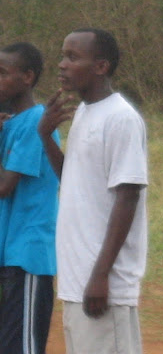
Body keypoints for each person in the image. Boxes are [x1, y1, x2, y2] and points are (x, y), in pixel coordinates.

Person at [38, 28, 148, 354]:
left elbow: (128, 197)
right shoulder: (85, 112)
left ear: (101, 66)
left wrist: (101, 276)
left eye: (73, 57)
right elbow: (73, 179)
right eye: (63, 56)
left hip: (102, 283)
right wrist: (46, 136)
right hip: (77, 278)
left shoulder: (121, 118)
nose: (62, 64)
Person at [0, 42, 60, 354]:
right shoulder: (10, 123)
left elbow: (4, 186)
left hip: (28, 255)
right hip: (9, 253)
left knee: (21, 347)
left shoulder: (37, 122)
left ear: (27, 77)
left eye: (2, 73)